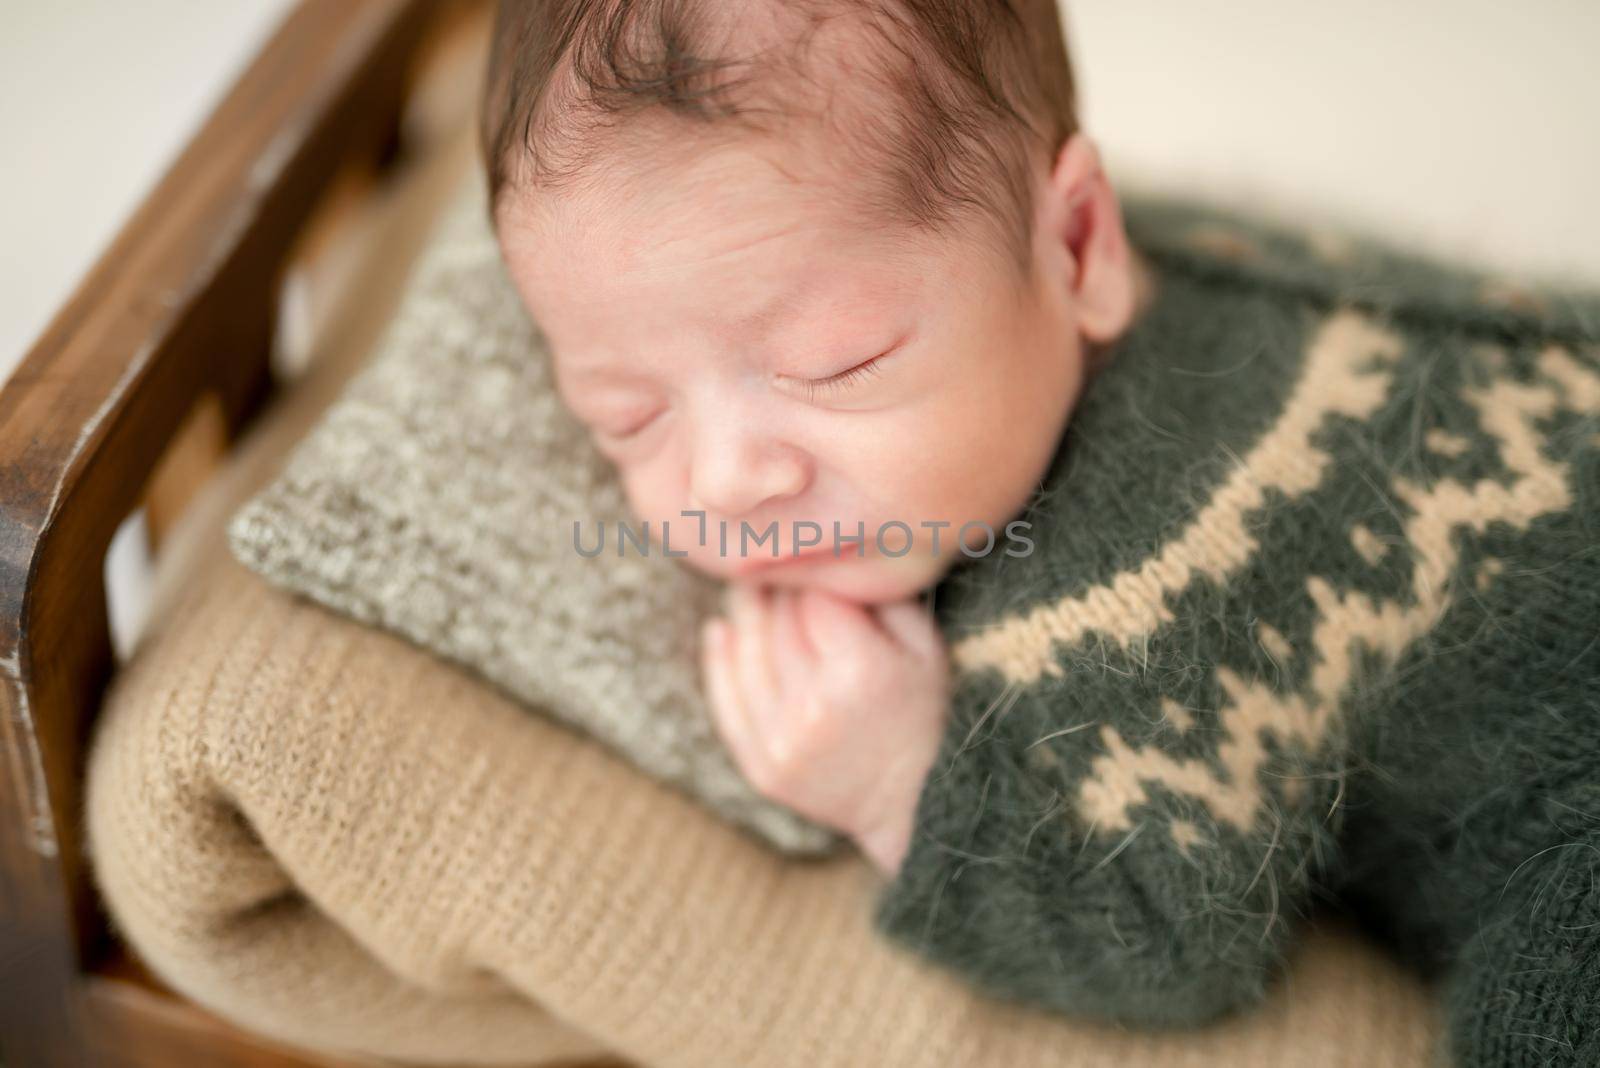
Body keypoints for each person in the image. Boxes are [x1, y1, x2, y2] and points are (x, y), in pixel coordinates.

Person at [481, 3, 1600, 1063]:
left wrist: (903, 789)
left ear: (1077, 243)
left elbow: (1170, 946)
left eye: (837, 363)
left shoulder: (1144, 582)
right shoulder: (1142, 250)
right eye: (623, 414)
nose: (725, 480)